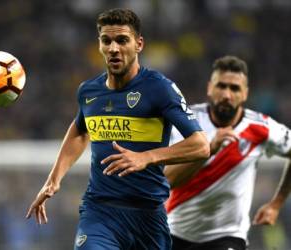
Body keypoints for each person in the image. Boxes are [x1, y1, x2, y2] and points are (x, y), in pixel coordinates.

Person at [26, 8, 210, 250]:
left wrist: (146, 157)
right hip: (100, 212)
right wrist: (53, 180)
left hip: (148, 216)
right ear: (100, 45)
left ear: (139, 44)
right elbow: (81, 130)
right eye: (106, 40)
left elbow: (201, 145)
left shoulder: (159, 88)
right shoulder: (89, 92)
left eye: (122, 40)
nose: (113, 48)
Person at [164, 55, 291, 250]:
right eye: (221, 86)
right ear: (209, 88)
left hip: (228, 236)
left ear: (245, 93)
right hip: (174, 232)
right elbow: (168, 181)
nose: (227, 94)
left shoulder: (261, 127)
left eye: (234, 88)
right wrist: (208, 149)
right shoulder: (185, 123)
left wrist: (276, 203)